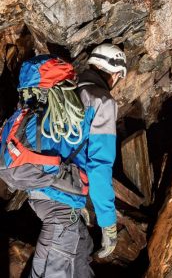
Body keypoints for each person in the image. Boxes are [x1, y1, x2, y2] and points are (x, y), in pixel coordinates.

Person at [27, 43, 127, 277]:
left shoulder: (62, 91)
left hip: (37, 189)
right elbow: (99, 166)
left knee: (81, 249)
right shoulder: (101, 101)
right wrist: (108, 222)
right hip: (60, 202)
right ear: (114, 75)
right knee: (62, 256)